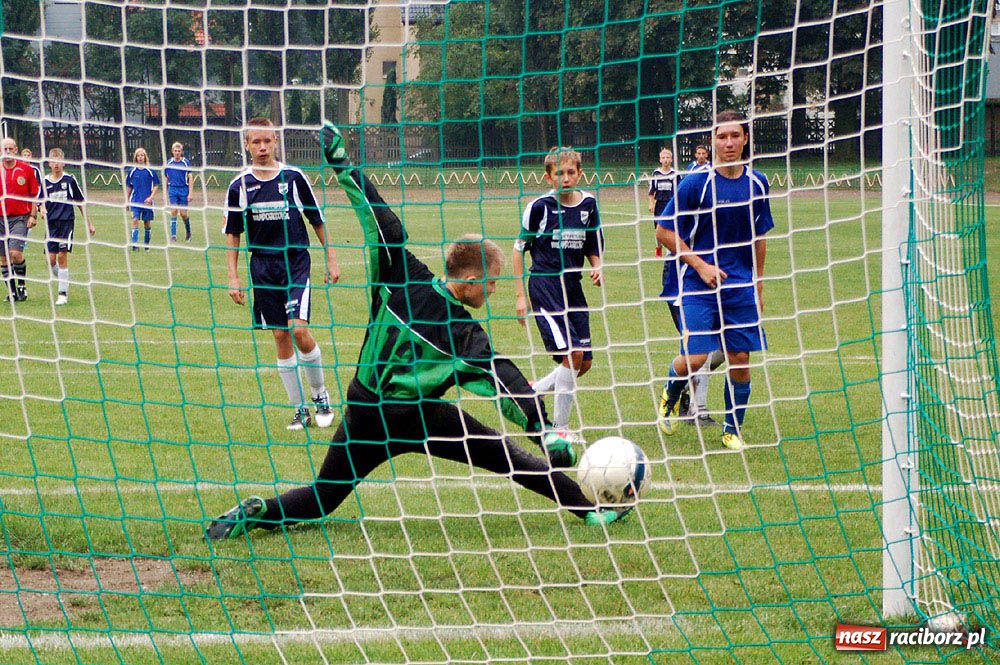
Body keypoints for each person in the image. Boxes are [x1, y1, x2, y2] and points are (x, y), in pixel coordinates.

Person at [204, 123, 625, 541]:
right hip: (418, 419)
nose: (495, 290)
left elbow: (377, 216)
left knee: (322, 497)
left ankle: (259, 511)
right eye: (493, 282)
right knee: (505, 456)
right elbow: (505, 378)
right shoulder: (463, 333)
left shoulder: (401, 275)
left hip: (364, 413)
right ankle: (590, 512)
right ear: (472, 278)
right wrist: (544, 430)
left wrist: (341, 163)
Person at [655, 110, 774, 451]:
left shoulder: (758, 183)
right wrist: (701, 265)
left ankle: (731, 429)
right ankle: (670, 393)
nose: (729, 143)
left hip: (739, 285)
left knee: (739, 359)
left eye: (735, 136)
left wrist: (758, 282)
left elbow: (759, 234)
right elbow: (664, 231)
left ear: (746, 139)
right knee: (696, 357)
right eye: (722, 137)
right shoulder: (696, 182)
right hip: (697, 283)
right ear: (712, 141)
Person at [224, 117, 340, 431]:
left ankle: (321, 396)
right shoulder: (239, 186)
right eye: (256, 142)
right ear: (247, 145)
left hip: (295, 263)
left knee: (299, 331)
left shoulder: (293, 177)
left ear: (276, 142)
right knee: (280, 335)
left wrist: (331, 258)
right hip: (262, 266)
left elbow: (316, 220)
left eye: (267, 141)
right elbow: (233, 233)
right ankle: (299, 409)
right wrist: (233, 277)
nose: (262, 147)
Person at [512, 147, 603, 443]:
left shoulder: (589, 204)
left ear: (580, 173)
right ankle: (559, 428)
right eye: (559, 173)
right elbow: (518, 250)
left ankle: (533, 390)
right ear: (549, 176)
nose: (566, 178)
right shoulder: (539, 207)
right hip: (545, 286)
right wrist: (520, 297)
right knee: (571, 355)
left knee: (584, 363)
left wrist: (597, 267)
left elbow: (592, 244)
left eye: (571, 172)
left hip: (573, 288)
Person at [42, 148, 94, 305]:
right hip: (51, 225)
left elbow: (81, 203)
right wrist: (41, 208)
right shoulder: (45, 182)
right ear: (49, 163)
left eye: (59, 161)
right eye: (53, 161)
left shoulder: (70, 180)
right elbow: (40, 201)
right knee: (51, 260)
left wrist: (89, 223)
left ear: (63, 163)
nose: (56, 164)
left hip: (66, 223)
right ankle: (63, 277)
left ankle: (62, 293)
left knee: (62, 256)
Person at [1, 137, 41, 302]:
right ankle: (11, 292)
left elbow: (34, 194)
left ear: (16, 150)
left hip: (20, 217)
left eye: (11, 149)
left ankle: (22, 285)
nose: (8, 152)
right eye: (5, 149)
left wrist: (33, 215)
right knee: (3, 258)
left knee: (15, 253)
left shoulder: (26, 169)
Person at [125, 147, 160, 251]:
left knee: (147, 223)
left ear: (145, 157)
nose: (140, 157)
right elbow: (129, 187)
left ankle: (146, 244)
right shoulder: (132, 171)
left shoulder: (150, 171)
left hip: (147, 202)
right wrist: (127, 201)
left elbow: (156, 185)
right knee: (135, 220)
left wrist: (151, 197)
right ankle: (135, 245)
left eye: (142, 155)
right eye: (138, 156)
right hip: (135, 201)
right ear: (136, 158)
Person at [647, 147, 676, 258]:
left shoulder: (675, 174)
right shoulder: (656, 173)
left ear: (671, 159)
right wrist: (651, 203)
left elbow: (679, 191)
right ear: (660, 160)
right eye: (663, 157)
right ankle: (658, 248)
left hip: (671, 204)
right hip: (659, 204)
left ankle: (670, 250)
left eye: (668, 157)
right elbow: (651, 191)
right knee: (659, 228)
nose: (665, 160)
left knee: (670, 228)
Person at [164, 142, 193, 242]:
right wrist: (165, 192)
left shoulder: (186, 163)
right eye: (175, 151)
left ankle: (188, 232)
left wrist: (190, 193)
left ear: (181, 152)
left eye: (179, 151)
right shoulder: (168, 163)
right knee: (173, 211)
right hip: (173, 189)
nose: (177, 153)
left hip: (183, 189)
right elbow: (166, 178)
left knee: (183, 213)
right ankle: (173, 236)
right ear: (172, 152)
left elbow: (190, 178)